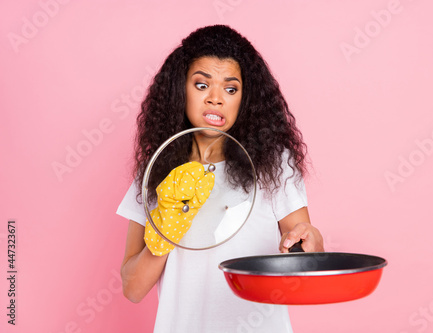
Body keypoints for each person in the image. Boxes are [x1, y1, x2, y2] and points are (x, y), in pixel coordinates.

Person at [117, 25, 324, 333]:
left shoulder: (274, 165)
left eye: (230, 89)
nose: (215, 99)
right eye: (201, 85)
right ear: (180, 89)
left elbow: (306, 259)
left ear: (245, 99)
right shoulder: (155, 172)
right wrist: (163, 233)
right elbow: (132, 289)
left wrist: (312, 243)